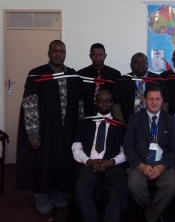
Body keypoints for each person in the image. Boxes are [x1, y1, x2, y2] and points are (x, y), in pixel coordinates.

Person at [16, 40, 81, 221]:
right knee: (43, 168)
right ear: (49, 53)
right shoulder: (36, 74)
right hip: (45, 133)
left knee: (62, 167)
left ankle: (59, 201)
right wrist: (33, 132)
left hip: (66, 132)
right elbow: (29, 104)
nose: (59, 54)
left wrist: (81, 131)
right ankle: (44, 205)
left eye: (62, 51)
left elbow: (80, 104)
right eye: (55, 51)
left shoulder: (72, 75)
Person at [123, 84, 175, 222]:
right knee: (134, 186)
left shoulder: (170, 119)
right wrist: (141, 165)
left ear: (162, 100)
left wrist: (162, 166)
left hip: (163, 162)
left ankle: (148, 215)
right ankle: (155, 211)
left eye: (157, 99)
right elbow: (128, 146)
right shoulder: (134, 119)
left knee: (172, 186)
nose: (154, 102)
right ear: (144, 100)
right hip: (140, 161)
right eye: (151, 99)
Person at [72, 90, 127, 222]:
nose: (104, 103)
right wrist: (88, 161)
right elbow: (76, 147)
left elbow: (125, 151)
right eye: (101, 100)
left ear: (112, 103)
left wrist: (113, 162)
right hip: (90, 164)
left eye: (108, 100)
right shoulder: (85, 123)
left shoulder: (120, 126)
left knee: (118, 191)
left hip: (112, 165)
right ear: (95, 103)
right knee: (81, 191)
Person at [112, 52, 169, 123]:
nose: (140, 64)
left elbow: (165, 103)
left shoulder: (158, 81)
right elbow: (116, 104)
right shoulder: (122, 81)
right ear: (130, 65)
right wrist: (122, 123)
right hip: (127, 123)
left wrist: (158, 121)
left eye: (143, 62)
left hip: (153, 123)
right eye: (136, 62)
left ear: (148, 64)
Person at [77, 43, 121, 116]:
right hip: (86, 114)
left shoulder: (114, 74)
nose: (97, 58)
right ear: (90, 56)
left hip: (108, 115)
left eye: (100, 55)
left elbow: (116, 99)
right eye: (94, 55)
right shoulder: (81, 74)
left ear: (105, 56)